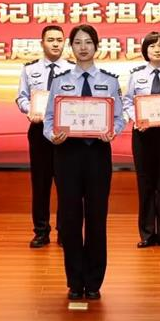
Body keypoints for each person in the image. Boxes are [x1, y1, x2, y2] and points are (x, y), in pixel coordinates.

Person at [44, 24, 125, 301]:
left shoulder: (110, 81)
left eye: (88, 42)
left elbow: (119, 117)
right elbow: (49, 118)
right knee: (69, 218)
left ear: (96, 46)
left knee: (96, 217)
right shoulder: (60, 81)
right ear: (72, 47)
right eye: (77, 42)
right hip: (67, 153)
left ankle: (94, 281)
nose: (83, 47)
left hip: (97, 154)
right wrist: (52, 136)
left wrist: (112, 131)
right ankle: (74, 281)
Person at [122, 31, 160, 249]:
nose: (157, 49)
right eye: (152, 46)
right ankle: (147, 233)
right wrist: (137, 119)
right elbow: (127, 102)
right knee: (145, 184)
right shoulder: (136, 75)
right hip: (143, 134)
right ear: (145, 50)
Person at [16, 25, 71, 248]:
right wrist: (30, 110)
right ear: (42, 43)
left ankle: (65, 231)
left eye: (59, 40)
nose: (55, 44)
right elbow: (21, 97)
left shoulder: (73, 68)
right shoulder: (30, 69)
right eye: (51, 40)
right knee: (40, 184)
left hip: (65, 132)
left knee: (66, 184)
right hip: (39, 131)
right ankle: (41, 231)